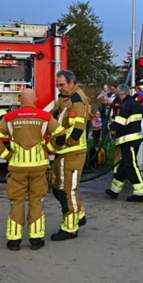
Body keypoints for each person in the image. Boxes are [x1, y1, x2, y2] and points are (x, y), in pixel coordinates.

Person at [0, 89, 61, 251]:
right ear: (35, 99)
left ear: (20, 100)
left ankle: (14, 241)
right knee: (37, 201)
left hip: (17, 168)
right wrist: (49, 148)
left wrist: (7, 155)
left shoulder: (9, 117)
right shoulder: (45, 117)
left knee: (17, 202)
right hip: (39, 167)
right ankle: (36, 239)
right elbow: (61, 135)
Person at [49, 70, 90, 239]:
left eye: (62, 85)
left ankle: (70, 228)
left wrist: (56, 144)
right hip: (63, 152)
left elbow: (76, 131)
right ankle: (78, 214)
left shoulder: (76, 100)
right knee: (57, 187)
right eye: (57, 85)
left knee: (68, 190)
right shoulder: (65, 97)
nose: (59, 88)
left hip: (72, 152)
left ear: (72, 82)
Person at [107, 84, 143, 202]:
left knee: (130, 165)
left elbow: (119, 123)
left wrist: (109, 126)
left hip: (127, 140)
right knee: (124, 165)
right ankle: (114, 190)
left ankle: (140, 194)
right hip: (134, 138)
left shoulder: (125, 105)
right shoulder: (135, 104)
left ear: (120, 93)